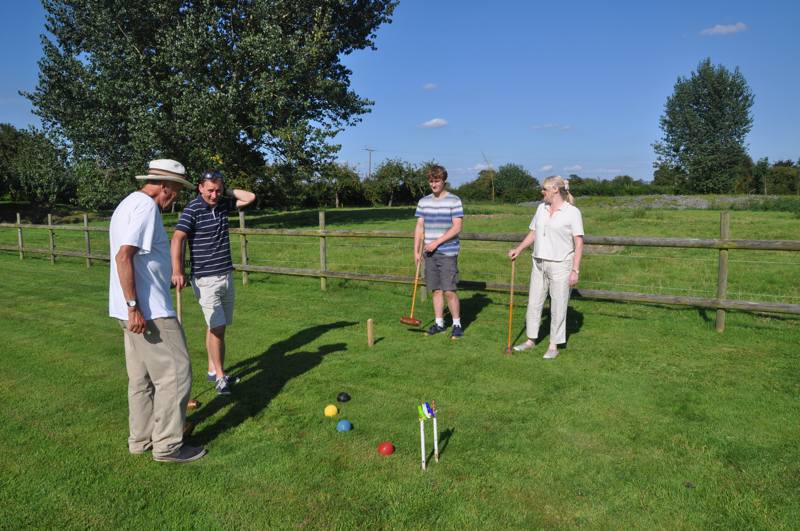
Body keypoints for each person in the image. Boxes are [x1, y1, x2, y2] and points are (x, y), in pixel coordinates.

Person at [109, 159, 206, 463]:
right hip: (149, 311)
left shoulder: (127, 203)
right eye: (176, 189)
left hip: (128, 311)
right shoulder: (146, 208)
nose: (175, 196)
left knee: (141, 380)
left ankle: (141, 440)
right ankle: (167, 446)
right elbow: (124, 256)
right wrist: (135, 306)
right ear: (163, 185)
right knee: (176, 375)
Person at [171, 170, 256, 395]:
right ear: (200, 187)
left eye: (218, 190)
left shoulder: (222, 204)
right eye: (210, 190)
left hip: (226, 275)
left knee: (218, 326)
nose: (214, 195)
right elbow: (177, 238)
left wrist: (224, 190)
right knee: (217, 327)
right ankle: (220, 376)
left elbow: (250, 197)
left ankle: (212, 368)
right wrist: (178, 271)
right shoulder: (192, 209)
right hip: (205, 278)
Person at [507, 175, 584, 359]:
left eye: (544, 189)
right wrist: (519, 249)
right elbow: (533, 232)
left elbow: (579, 243)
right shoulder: (541, 208)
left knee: (558, 305)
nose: (542, 192)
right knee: (534, 302)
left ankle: (553, 345)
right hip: (539, 262)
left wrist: (575, 270)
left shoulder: (572, 212)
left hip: (561, 265)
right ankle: (531, 340)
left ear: (555, 190)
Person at [414, 165, 465, 339]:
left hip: (447, 252)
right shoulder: (423, 202)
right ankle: (439, 323)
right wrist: (416, 251)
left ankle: (457, 324)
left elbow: (457, 227)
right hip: (428, 253)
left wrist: (436, 243)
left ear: (444, 181)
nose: (433, 184)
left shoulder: (454, 200)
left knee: (449, 290)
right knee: (435, 290)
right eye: (431, 181)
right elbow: (420, 227)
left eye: (437, 181)